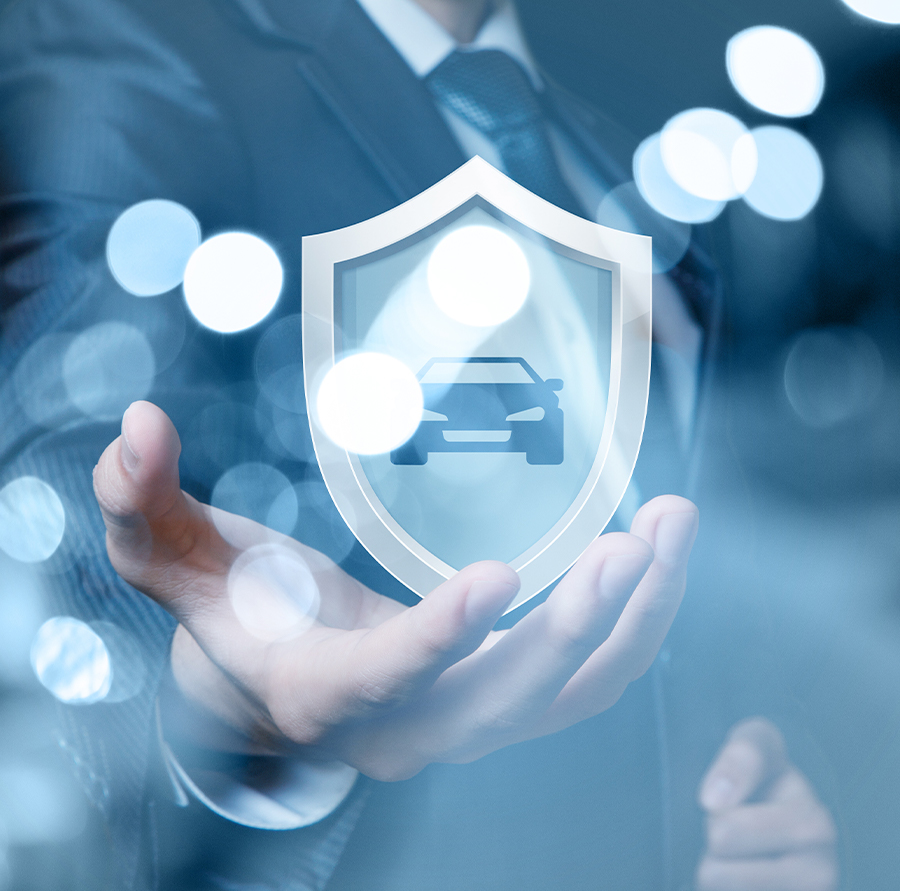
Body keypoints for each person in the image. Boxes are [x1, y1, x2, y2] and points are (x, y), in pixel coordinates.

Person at [0, 0, 838, 888]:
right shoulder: (124, 52)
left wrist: (756, 802)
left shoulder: (618, 154)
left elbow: (680, 584)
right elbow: (62, 471)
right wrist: (226, 707)